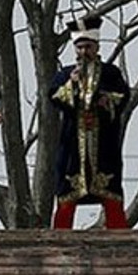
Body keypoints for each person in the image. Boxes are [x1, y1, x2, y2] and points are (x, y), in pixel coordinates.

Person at [49, 15, 132, 229]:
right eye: (80, 47)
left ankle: (122, 246)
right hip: (72, 149)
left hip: (103, 147)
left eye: (88, 47)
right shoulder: (65, 75)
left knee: (112, 198)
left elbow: (122, 97)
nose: (84, 52)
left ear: (96, 46)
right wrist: (72, 85)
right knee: (66, 201)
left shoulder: (111, 73)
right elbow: (54, 97)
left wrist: (105, 100)